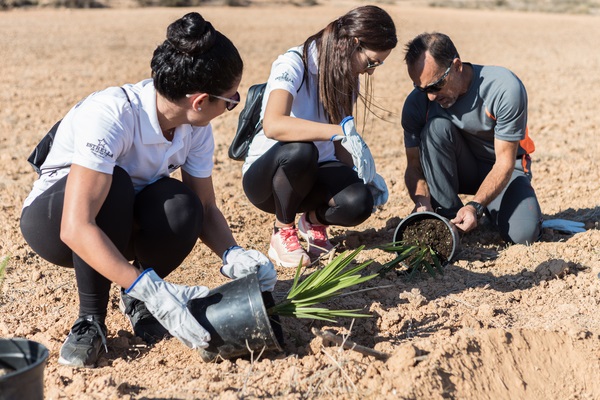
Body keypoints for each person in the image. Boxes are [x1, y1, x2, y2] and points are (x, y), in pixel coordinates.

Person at [20, 12, 276, 368]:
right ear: (200, 100)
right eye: (230, 99)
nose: (232, 105)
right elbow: (75, 226)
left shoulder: (194, 127)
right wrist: (154, 288)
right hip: (56, 222)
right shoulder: (112, 115)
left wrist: (233, 254)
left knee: (184, 206)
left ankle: (136, 298)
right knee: (115, 184)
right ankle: (90, 320)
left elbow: (205, 207)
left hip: (121, 219)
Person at [241, 5, 397, 268]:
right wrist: (338, 132)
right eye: (371, 62)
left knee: (359, 202)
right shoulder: (294, 63)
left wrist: (360, 176)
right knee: (302, 150)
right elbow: (273, 125)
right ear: (352, 44)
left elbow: (340, 144)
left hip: (313, 176)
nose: (371, 71)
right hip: (270, 181)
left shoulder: (347, 77)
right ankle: (283, 231)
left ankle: (313, 221)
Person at [401, 32, 542, 245]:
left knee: (523, 235)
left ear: (456, 66)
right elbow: (414, 165)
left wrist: (475, 206)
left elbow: (504, 163)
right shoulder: (417, 103)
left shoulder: (503, 88)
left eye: (436, 85)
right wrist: (422, 203)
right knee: (436, 128)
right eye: (422, 88)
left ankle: (488, 211)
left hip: (502, 170)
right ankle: (448, 216)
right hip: (458, 169)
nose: (430, 96)